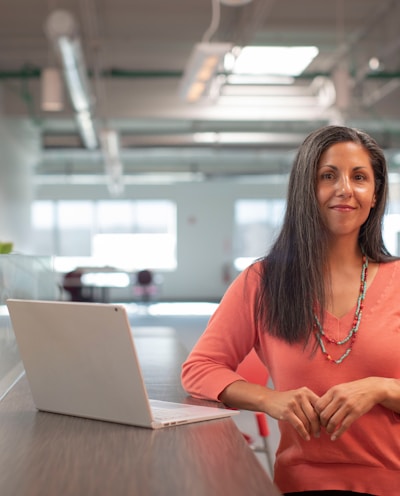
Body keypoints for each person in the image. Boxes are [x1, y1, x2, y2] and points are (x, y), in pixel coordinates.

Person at [181, 125, 400, 496]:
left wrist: (381, 389)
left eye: (359, 177)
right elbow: (199, 369)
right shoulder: (262, 281)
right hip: (299, 485)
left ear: (375, 194)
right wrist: (269, 399)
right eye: (328, 176)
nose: (345, 189)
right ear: (306, 190)